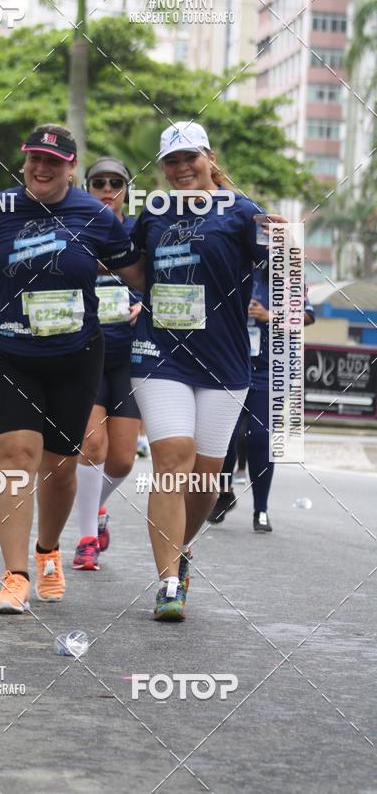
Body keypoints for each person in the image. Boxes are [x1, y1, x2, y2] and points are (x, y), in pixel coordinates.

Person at [0, 123, 142, 614]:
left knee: (60, 467)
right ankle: (15, 576)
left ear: (71, 167)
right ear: (24, 160)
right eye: (35, 158)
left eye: (54, 161)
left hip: (75, 356)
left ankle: (48, 549)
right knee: (16, 457)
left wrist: (145, 305)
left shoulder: (95, 215)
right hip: (6, 352)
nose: (42, 168)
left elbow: (136, 272)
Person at [129, 121, 285, 621]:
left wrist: (284, 241)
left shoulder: (242, 212)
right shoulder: (154, 212)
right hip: (159, 353)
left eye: (190, 158)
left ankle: (179, 550)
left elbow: (281, 267)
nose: (181, 168)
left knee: (206, 480)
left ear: (210, 159)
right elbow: (133, 269)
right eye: (171, 161)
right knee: (173, 454)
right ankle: (168, 584)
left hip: (224, 359)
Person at [71, 157, 142, 570]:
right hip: (86, 354)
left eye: (117, 183)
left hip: (130, 357)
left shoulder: (140, 231)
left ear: (127, 190)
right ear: (87, 187)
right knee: (93, 445)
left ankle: (95, 505)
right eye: (99, 182)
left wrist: (146, 305)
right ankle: (85, 540)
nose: (108, 190)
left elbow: (161, 277)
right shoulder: (73, 228)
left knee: (122, 460)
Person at [209, 269, 315, 531]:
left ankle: (261, 509)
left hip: (272, 370)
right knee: (225, 437)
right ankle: (224, 493)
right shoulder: (236, 267)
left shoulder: (290, 277)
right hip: (233, 365)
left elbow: (307, 317)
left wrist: (270, 316)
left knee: (259, 437)